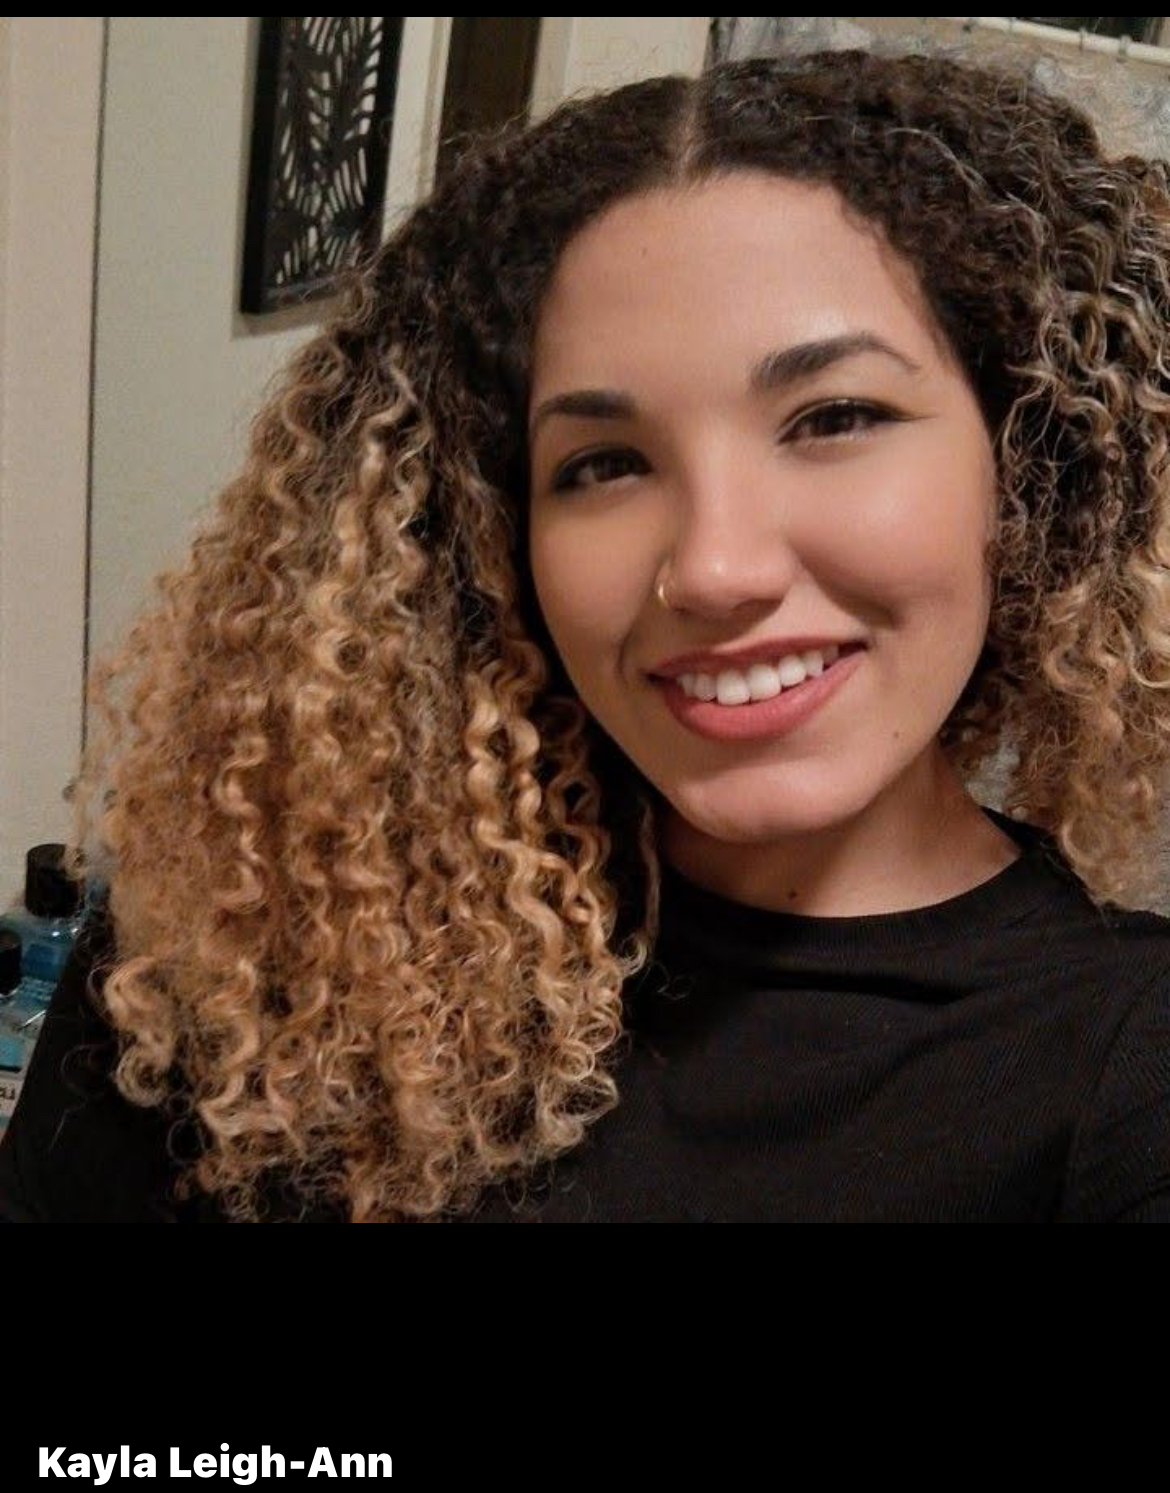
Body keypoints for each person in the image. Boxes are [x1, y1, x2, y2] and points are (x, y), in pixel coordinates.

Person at [3, 46, 1170, 1222]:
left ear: (1030, 463)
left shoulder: (1126, 1084)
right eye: (604, 464)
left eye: (834, 416)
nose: (715, 567)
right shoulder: (246, 948)